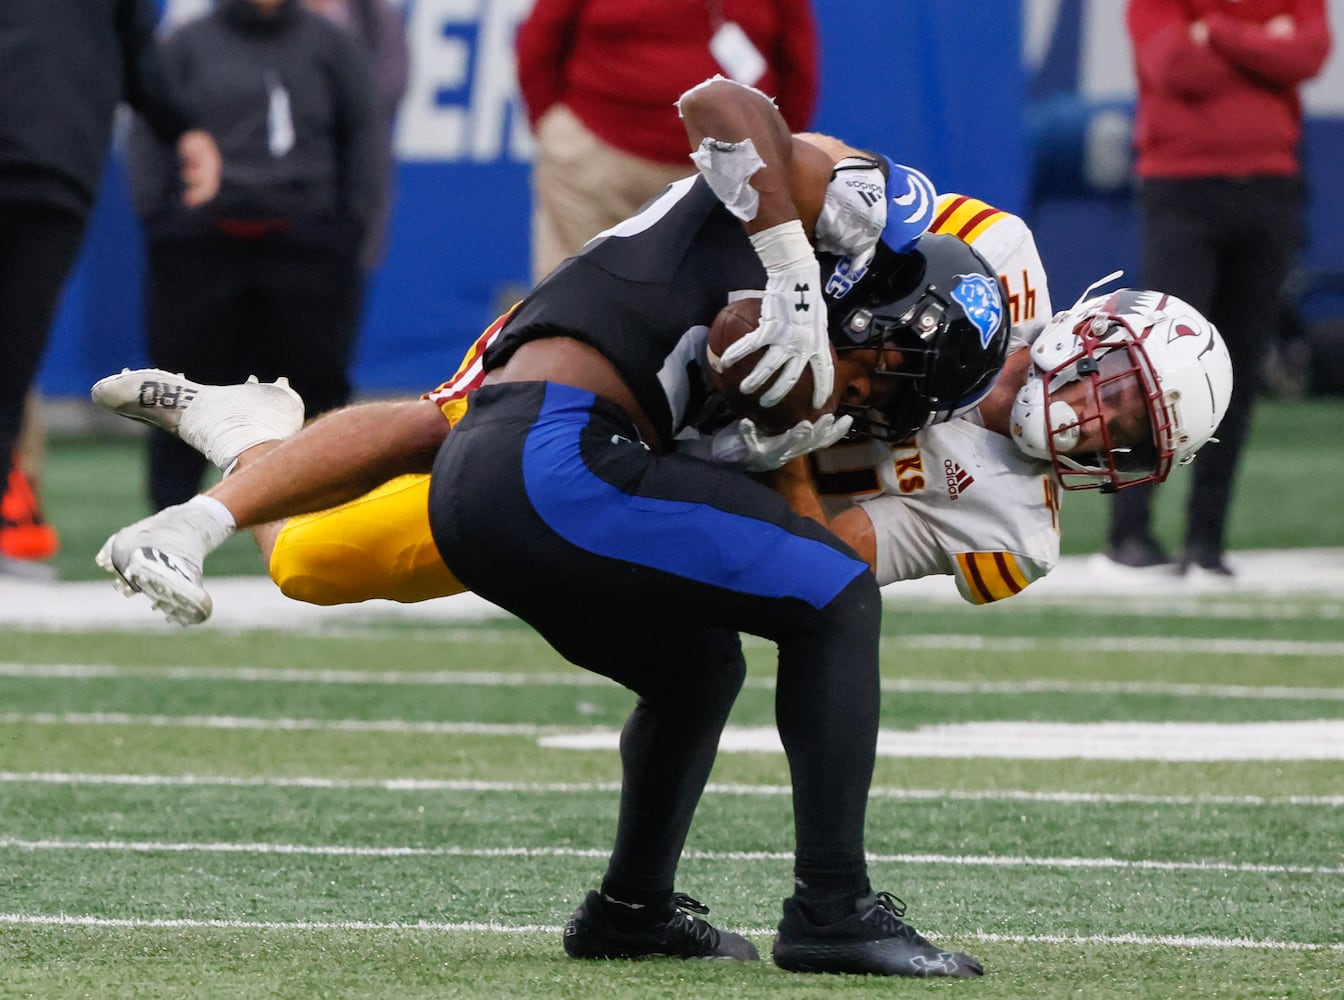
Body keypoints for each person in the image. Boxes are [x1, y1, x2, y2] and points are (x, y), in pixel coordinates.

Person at [98, 76, 1007, 978]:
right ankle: (832, 910)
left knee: (698, 667)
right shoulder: (825, 212)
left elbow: (427, 429)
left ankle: (630, 909)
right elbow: (717, 100)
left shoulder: (703, 337)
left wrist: (206, 516)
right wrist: (792, 275)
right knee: (835, 594)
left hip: (506, 477)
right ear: (880, 296)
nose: (870, 402)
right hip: (556, 458)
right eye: (887, 374)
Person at [126, 0, 383, 512]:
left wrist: (348, 226)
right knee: (184, 388)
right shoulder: (186, 45)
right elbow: (150, 130)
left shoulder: (332, 45)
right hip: (201, 247)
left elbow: (364, 135)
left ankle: (321, 516)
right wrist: (163, 217)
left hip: (304, 246)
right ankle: (170, 516)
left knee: (315, 389)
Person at [1105, 0, 1330, 575]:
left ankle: (1207, 536)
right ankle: (1130, 529)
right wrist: (1261, 38)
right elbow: (1174, 68)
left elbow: (1308, 52)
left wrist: (1218, 32)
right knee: (1157, 363)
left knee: (1240, 363)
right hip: (1182, 189)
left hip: (1269, 188)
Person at [0, 0, 221, 570]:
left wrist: (184, 126)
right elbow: (140, 60)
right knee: (9, 364)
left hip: (53, 165)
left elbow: (140, 59)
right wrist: (185, 127)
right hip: (56, 163)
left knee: (11, 364)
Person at [516, 0, 817, 284]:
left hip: (723, 178)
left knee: (718, 319)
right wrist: (554, 128)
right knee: (570, 305)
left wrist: (765, 154)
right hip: (596, 164)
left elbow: (796, 64)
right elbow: (540, 40)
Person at [302, 0, 409, 277]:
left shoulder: (375, 18)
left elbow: (384, 97)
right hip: (270, 211)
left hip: (346, 208)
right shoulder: (253, 21)